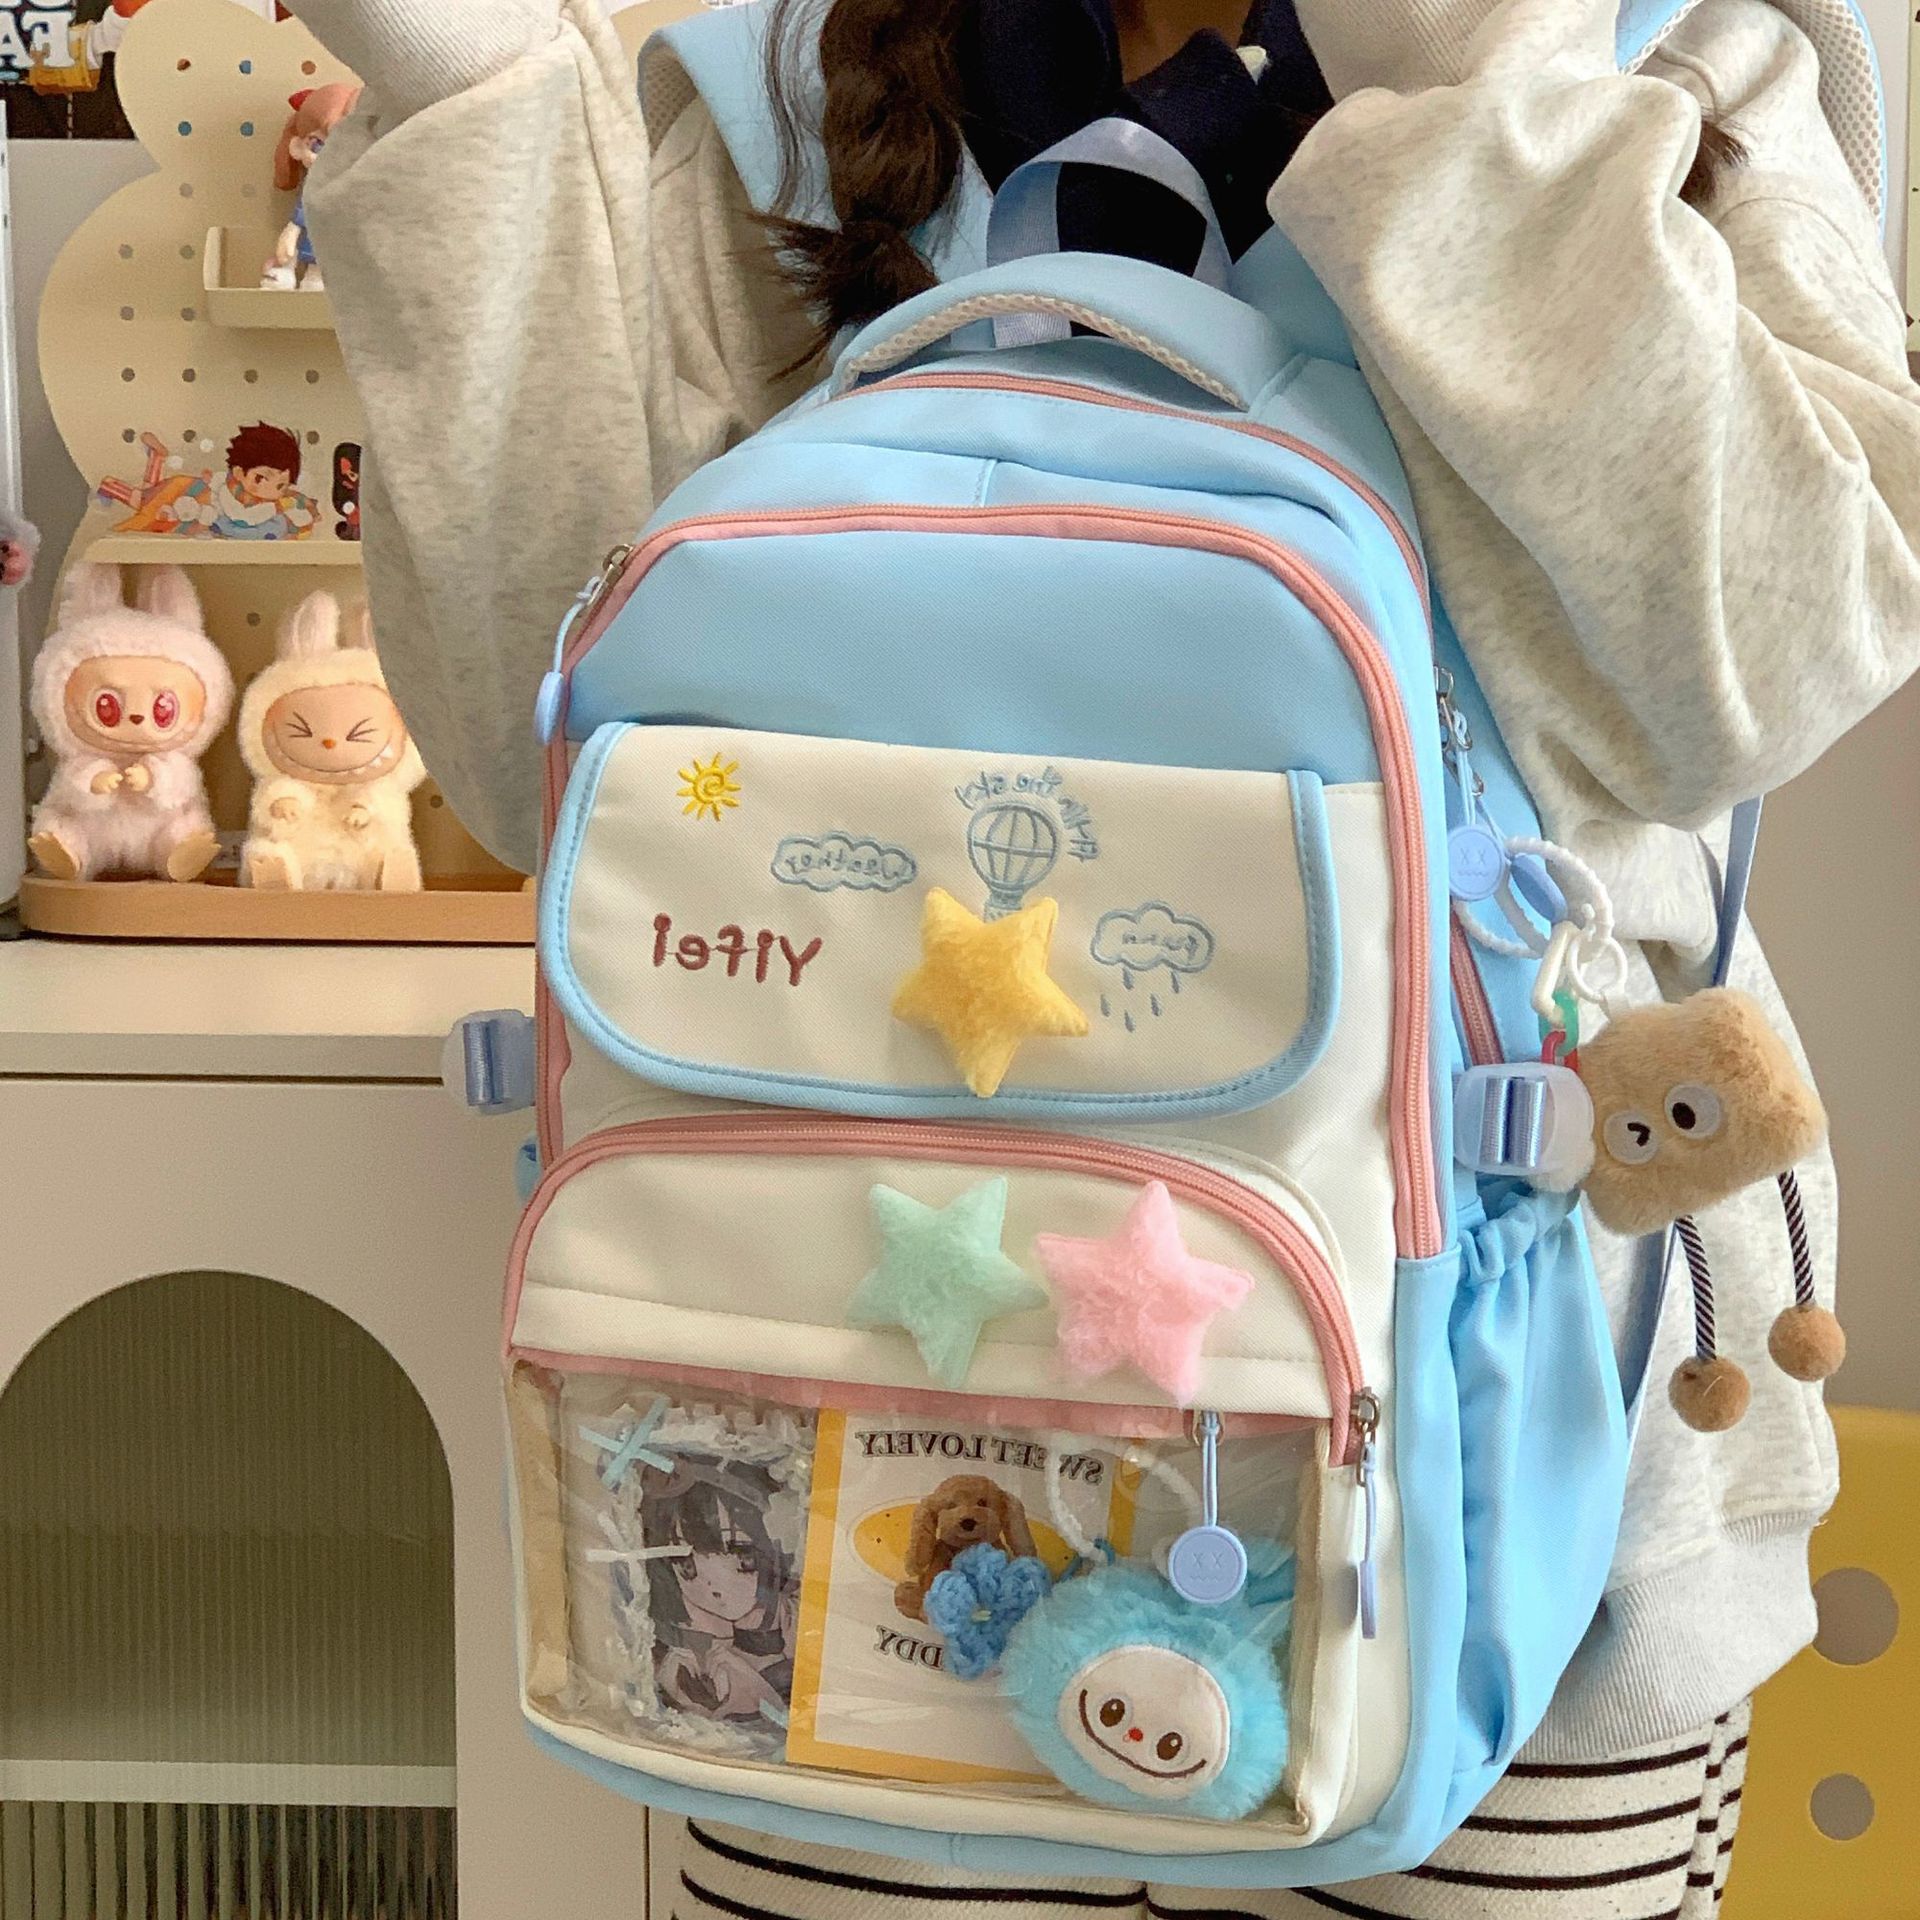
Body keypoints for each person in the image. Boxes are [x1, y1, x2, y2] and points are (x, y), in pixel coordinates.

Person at [286, 0, 1920, 1912]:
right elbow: (556, 752)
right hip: (842, 1400)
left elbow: (1759, 674)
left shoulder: (1678, 51)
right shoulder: (794, 80)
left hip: (1534, 1447)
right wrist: (476, 92)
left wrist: (1473, 70)